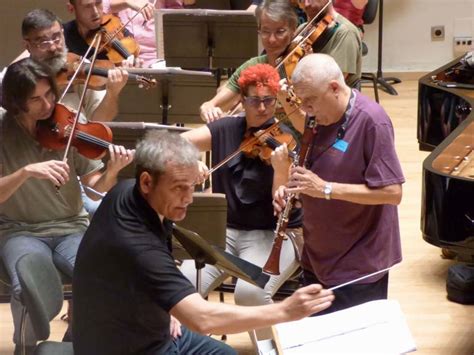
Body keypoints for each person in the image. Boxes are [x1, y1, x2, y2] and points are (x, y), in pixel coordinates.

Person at [72, 130, 334, 355]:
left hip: (147, 327)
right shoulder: (136, 245)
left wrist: (170, 311)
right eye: (178, 188)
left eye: (191, 186)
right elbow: (202, 318)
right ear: (147, 182)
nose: (188, 198)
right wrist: (286, 311)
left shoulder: (130, 193)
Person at [0, 58, 134, 354]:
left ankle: (76, 342)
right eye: (35, 99)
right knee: (27, 284)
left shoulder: (68, 121)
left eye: (50, 94)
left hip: (72, 226)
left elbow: (95, 190)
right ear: (14, 101)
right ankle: (27, 346)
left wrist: (111, 172)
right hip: (20, 231)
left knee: (104, 278)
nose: (47, 105)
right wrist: (25, 173)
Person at [272, 53, 404, 315]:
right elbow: (318, 174)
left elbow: (393, 192)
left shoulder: (371, 121)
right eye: (302, 102)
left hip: (359, 263)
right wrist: (295, 190)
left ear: (334, 87)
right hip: (318, 255)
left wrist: (325, 189)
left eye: (310, 101)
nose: (306, 110)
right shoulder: (317, 117)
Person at [180, 63, 303, 345]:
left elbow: (281, 206)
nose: (262, 108)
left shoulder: (288, 140)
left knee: (250, 293)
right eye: (253, 100)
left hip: (273, 235)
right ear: (241, 101)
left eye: (268, 100)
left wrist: (280, 170)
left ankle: (269, 351)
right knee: (183, 285)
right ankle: (188, 348)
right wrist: (191, 162)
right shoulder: (226, 128)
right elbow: (177, 143)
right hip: (224, 232)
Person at [200, 0, 361, 123]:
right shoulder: (306, 27)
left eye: (280, 32)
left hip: (330, 119)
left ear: (291, 32)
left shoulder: (345, 33)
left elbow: (331, 92)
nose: (306, 4)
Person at [102, 0, 195, 68]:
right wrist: (127, 3)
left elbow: (178, 21)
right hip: (119, 57)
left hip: (157, 61)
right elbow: (100, 8)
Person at [64, 0, 142, 67]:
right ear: (71, 8)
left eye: (98, 2)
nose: (95, 12)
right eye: (87, 6)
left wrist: (134, 67)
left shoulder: (116, 26)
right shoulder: (63, 36)